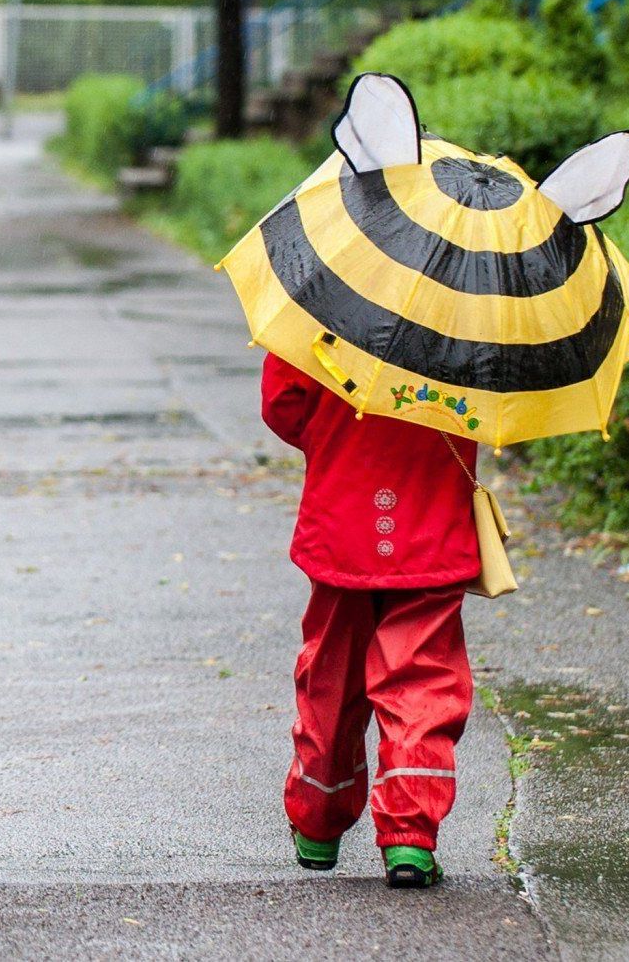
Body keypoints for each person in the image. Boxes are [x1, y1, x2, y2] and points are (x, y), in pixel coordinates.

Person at [260, 353, 480, 889]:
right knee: (422, 677)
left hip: (343, 515)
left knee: (331, 674)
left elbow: (281, 404)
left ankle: (317, 822)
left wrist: (332, 437)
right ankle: (409, 835)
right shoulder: (467, 314)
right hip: (432, 518)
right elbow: (491, 410)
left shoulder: (327, 300)